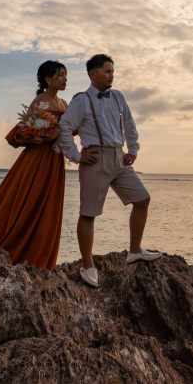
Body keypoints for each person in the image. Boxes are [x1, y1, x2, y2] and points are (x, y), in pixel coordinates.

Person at [58, 54, 161, 287]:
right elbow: (64, 127)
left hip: (119, 157)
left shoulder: (117, 96)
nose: (111, 74)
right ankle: (87, 264)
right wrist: (75, 156)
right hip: (94, 159)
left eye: (112, 71)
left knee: (143, 199)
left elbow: (130, 124)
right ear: (92, 74)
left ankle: (134, 251)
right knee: (88, 213)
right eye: (107, 71)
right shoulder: (81, 100)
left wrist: (132, 149)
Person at [0, 60, 68, 271]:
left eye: (66, 75)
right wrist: (46, 135)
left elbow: (70, 129)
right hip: (37, 159)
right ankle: (14, 250)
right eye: (60, 75)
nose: (64, 79)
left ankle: (39, 257)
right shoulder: (40, 101)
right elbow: (25, 131)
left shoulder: (64, 104)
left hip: (55, 160)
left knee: (47, 206)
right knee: (29, 202)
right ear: (48, 79)